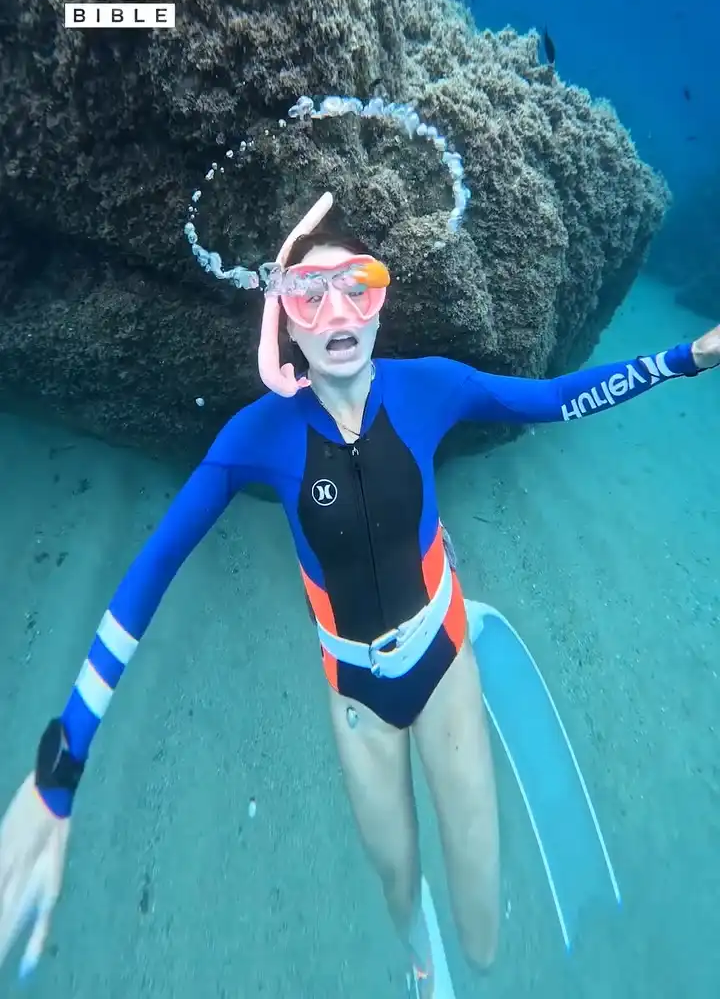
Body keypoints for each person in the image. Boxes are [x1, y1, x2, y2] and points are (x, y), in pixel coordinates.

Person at [0, 195, 717, 997]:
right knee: (398, 881)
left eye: (358, 288)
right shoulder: (254, 438)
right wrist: (59, 771)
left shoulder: (431, 387)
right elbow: (149, 574)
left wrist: (689, 356)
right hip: (357, 698)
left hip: (444, 663)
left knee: (482, 932)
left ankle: (448, 576)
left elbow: (551, 400)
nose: (337, 312)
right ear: (284, 322)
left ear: (381, 305)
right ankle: (418, 959)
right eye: (309, 295)